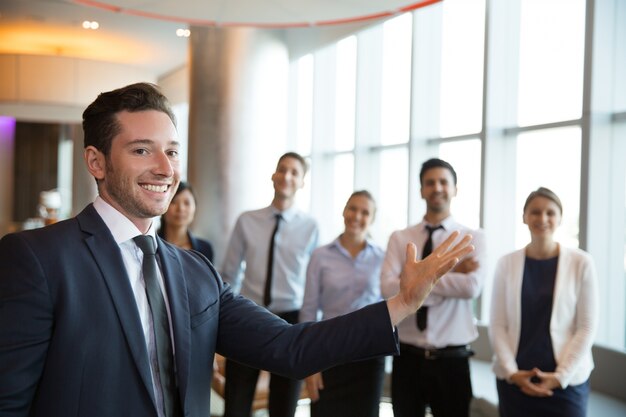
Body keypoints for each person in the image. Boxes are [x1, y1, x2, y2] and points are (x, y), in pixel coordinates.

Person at [0, 82, 474, 417]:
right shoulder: (37, 259)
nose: (165, 167)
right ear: (96, 162)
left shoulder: (194, 272)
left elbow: (291, 347)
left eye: (172, 150)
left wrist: (401, 304)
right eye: (142, 150)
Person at [380, 157, 487, 417]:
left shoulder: (472, 238)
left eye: (443, 182)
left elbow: (471, 287)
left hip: (453, 360)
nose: (437, 187)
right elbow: (387, 288)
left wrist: (416, 282)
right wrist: (449, 272)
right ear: (421, 190)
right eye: (430, 183)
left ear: (455, 189)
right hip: (407, 357)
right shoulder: (401, 238)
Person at [220, 151, 318, 417]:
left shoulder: (311, 227)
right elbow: (229, 272)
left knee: (284, 406)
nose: (287, 176)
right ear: (273, 175)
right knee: (236, 403)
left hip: (291, 321)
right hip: (248, 314)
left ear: (302, 183)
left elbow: (313, 282)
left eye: (294, 172)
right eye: (282, 169)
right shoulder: (247, 220)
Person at [488, 187, 598, 417]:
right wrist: (511, 372)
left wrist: (560, 376)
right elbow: (497, 324)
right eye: (535, 212)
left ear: (560, 218)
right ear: (524, 217)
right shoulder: (505, 264)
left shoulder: (582, 263)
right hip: (516, 381)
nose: (542, 218)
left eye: (550, 212)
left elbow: (586, 327)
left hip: (566, 382)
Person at [300, 190, 385, 417]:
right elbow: (309, 310)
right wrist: (310, 364)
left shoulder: (382, 258)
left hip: (369, 354)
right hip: (329, 352)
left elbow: (388, 305)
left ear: (372, 219)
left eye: (365, 212)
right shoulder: (320, 256)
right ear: (344, 211)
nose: (357, 216)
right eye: (352, 208)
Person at [157, 181, 214, 263]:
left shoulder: (205, 249)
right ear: (163, 206)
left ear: (195, 208)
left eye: (187, 203)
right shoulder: (151, 246)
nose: (180, 209)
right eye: (173, 202)